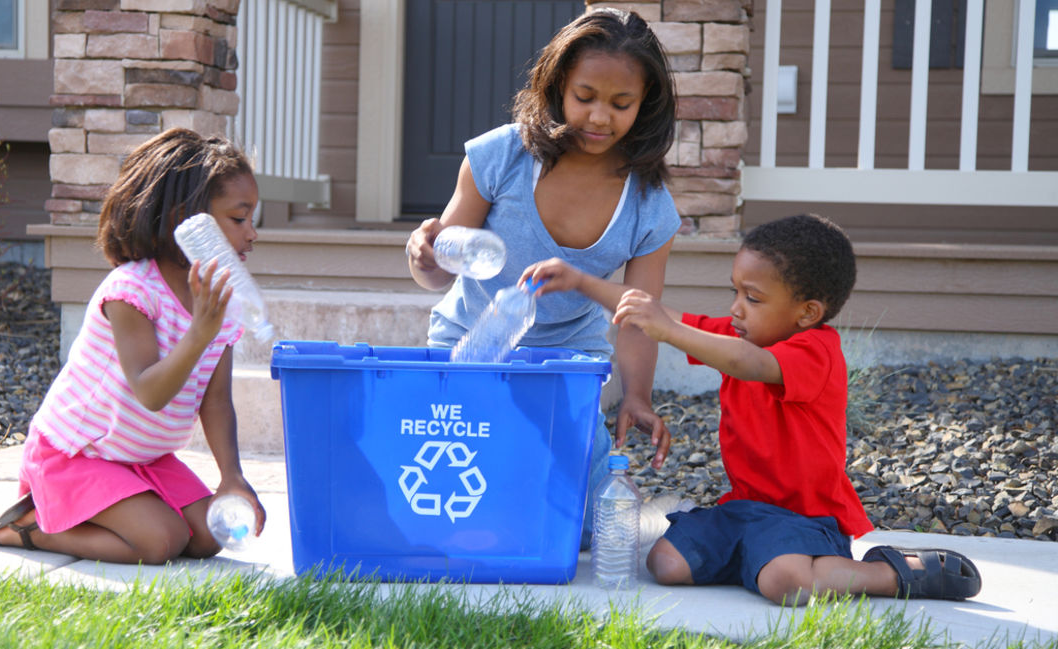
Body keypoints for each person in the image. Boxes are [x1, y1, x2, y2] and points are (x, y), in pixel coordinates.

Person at [523, 213, 982, 604]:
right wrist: (581, 281)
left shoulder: (814, 351)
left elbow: (746, 363)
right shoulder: (743, 335)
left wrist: (668, 329)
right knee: (663, 563)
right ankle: (753, 560)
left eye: (753, 299)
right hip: (743, 510)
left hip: (806, 519)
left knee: (787, 584)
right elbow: (663, 316)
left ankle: (892, 572)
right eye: (736, 292)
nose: (736, 309)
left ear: (807, 312)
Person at [405, 8, 681, 547]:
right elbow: (440, 272)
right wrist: (424, 256)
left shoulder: (649, 205)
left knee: (587, 530)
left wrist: (637, 395)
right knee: (467, 491)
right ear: (557, 86)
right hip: (471, 346)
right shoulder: (500, 157)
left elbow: (637, 315)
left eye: (621, 104)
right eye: (586, 97)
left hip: (567, 363)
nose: (600, 117)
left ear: (645, 105)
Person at [0, 128, 266, 564]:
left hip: (142, 460)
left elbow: (217, 401)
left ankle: (120, 511)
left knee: (210, 534)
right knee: (160, 541)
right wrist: (198, 334)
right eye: (239, 219)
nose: (252, 233)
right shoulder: (132, 291)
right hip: (76, 455)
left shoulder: (220, 304)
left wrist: (232, 477)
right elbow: (149, 392)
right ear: (186, 221)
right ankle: (29, 527)